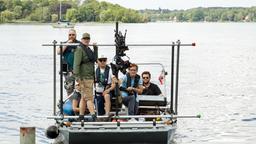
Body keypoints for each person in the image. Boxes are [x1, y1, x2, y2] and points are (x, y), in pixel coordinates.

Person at [73, 32, 98, 121]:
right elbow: (76, 65)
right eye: (85, 39)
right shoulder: (79, 49)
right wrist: (77, 78)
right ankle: (94, 116)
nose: (87, 40)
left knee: (84, 98)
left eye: (88, 39)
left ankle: (81, 116)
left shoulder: (89, 49)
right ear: (82, 40)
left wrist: (95, 48)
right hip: (83, 78)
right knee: (89, 98)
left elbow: (95, 59)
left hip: (90, 77)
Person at [57, 29, 80, 95]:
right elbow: (58, 52)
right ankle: (70, 103)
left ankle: (78, 103)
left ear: (76, 35)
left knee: (79, 88)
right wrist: (67, 44)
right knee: (69, 88)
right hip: (67, 70)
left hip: (77, 70)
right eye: (70, 35)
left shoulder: (79, 43)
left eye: (73, 35)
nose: (71, 36)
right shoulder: (64, 43)